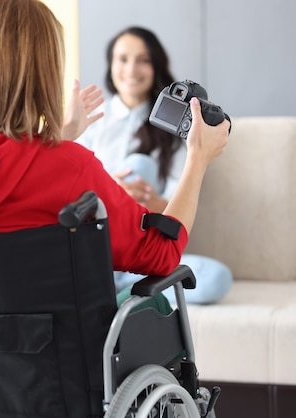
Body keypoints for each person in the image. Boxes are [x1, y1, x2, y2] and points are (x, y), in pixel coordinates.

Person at [0, 0, 229, 311]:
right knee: (157, 303)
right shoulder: (71, 164)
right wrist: (198, 158)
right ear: (43, 73)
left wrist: (56, 139)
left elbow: (1, 178)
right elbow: (161, 256)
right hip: (54, 351)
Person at [75, 26, 232, 304]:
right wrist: (113, 191)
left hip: (146, 238)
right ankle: (120, 280)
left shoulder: (178, 125)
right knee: (137, 165)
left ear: (156, 66)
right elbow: (74, 188)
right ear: (111, 65)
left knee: (215, 277)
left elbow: (177, 202)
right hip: (100, 235)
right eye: (122, 59)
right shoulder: (90, 119)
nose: (131, 69)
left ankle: (119, 282)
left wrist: (149, 200)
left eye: (143, 60)